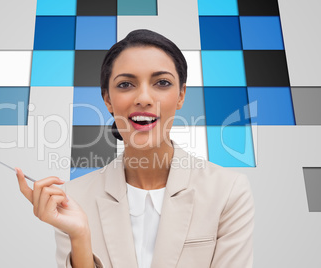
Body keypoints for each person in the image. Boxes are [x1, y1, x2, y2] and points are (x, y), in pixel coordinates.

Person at [15, 29, 255, 268]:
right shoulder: (73, 199)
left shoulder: (228, 191)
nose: (143, 98)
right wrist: (79, 238)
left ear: (181, 95)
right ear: (107, 99)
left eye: (162, 83)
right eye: (126, 84)